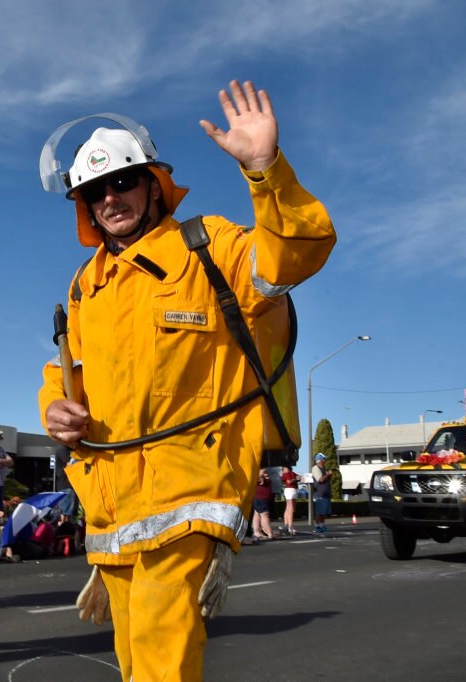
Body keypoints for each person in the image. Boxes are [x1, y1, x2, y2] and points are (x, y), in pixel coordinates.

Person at [38, 80, 336, 679]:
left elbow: (293, 258)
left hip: (189, 497)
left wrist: (265, 170)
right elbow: (65, 372)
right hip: (110, 504)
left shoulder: (207, 247)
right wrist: (54, 409)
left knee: (159, 660)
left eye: (123, 181)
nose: (110, 198)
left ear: (154, 185)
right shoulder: (84, 287)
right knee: (134, 660)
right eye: (95, 191)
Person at [311, 454, 333, 533]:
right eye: (324, 459)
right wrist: (327, 474)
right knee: (319, 511)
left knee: (324, 511)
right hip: (319, 493)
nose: (325, 461)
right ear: (320, 460)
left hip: (325, 493)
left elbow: (326, 479)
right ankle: (317, 526)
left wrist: (329, 475)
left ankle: (322, 525)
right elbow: (320, 479)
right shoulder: (315, 468)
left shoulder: (323, 468)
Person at [251, 468, 274, 541]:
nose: (266, 474)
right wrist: (262, 475)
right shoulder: (262, 479)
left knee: (257, 514)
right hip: (262, 500)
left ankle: (257, 532)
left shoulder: (256, 479)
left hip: (256, 499)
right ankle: (269, 533)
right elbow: (262, 479)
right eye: (265, 472)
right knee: (264, 515)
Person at [280, 465, 301, 535]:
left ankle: (286, 524)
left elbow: (299, 477)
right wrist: (295, 479)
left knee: (289, 507)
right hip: (290, 490)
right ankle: (290, 526)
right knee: (290, 507)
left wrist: (298, 478)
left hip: (294, 489)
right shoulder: (286, 474)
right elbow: (289, 481)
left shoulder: (292, 473)